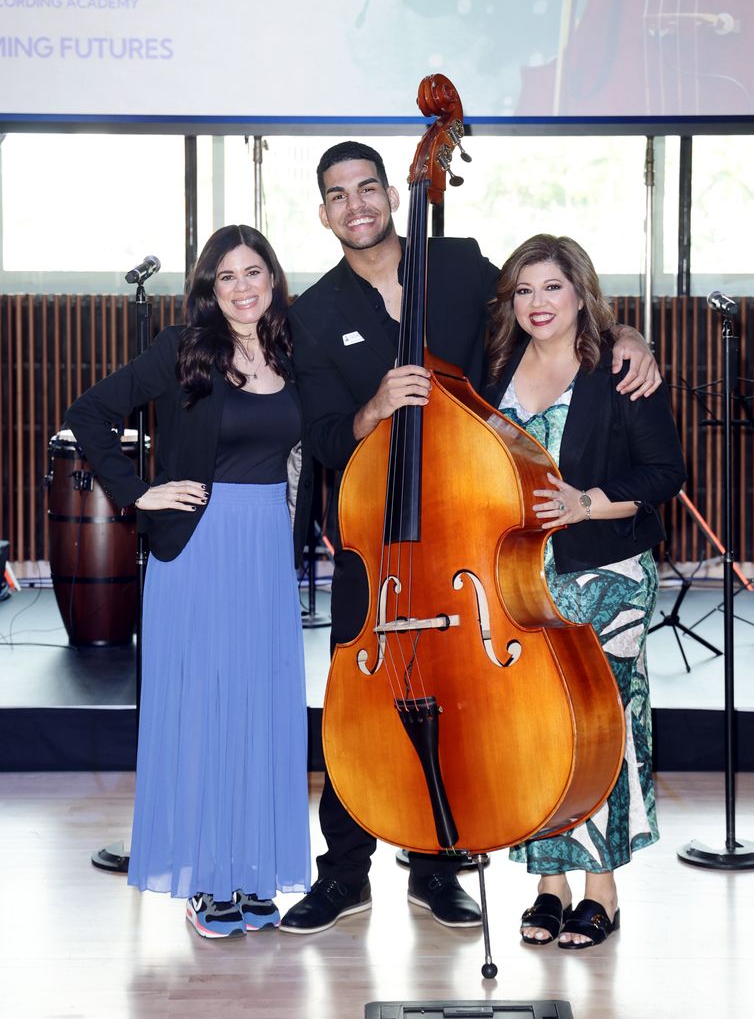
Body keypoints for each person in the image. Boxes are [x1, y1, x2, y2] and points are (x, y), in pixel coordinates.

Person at [282, 140, 662, 936]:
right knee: (357, 713)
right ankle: (343, 874)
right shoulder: (313, 315)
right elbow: (322, 437)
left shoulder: (454, 266)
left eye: (369, 189)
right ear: (324, 214)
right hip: (378, 541)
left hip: (474, 536)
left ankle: (440, 866)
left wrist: (628, 335)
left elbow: (548, 311)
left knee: (471, 703)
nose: (357, 205)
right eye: (338, 195)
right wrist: (376, 408)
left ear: (392, 194)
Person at [66, 224, 312, 939]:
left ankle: (254, 873)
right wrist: (138, 490)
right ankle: (208, 879)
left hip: (267, 545)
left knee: (261, 707)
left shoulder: (297, 351)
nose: (242, 287)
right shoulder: (182, 350)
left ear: (273, 277)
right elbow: (90, 414)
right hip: (200, 546)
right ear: (209, 288)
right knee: (206, 709)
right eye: (225, 276)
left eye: (253, 271)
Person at [484, 233, 686, 949]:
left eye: (553, 288)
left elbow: (665, 472)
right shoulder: (497, 367)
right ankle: (549, 886)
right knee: (536, 728)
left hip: (608, 575)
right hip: (520, 577)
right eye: (525, 291)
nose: (538, 304)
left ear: (580, 293)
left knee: (605, 729)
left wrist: (587, 502)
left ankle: (602, 889)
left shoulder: (618, 370)